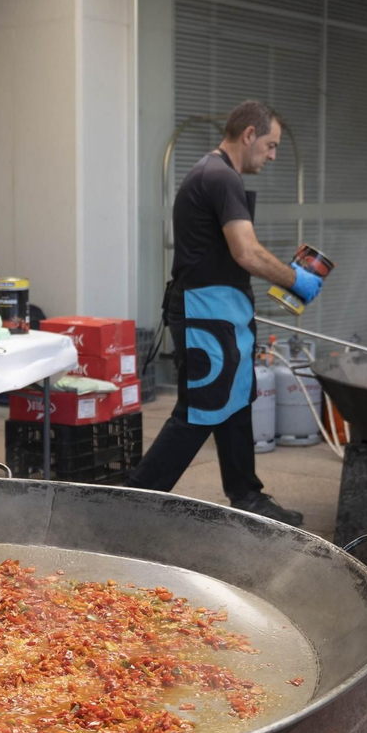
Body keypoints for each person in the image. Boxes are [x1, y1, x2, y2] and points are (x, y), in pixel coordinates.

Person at [128, 100, 324, 527]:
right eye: (270, 145)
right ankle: (131, 502)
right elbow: (246, 252)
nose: (273, 156)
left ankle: (246, 494)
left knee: (236, 401)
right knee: (200, 410)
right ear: (249, 135)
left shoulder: (218, 174)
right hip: (206, 314)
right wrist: (296, 279)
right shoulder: (219, 176)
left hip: (223, 311)